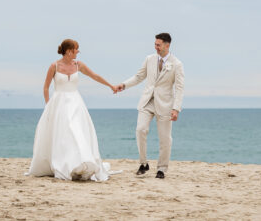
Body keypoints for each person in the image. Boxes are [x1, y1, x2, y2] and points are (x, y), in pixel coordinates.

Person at [26, 39, 119, 181]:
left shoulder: (78, 65)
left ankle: (80, 162)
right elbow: (46, 87)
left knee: (76, 131)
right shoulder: (54, 66)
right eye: (76, 49)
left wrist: (110, 86)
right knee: (63, 134)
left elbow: (95, 76)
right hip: (59, 104)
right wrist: (48, 105)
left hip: (76, 103)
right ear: (69, 50)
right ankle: (66, 164)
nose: (78, 51)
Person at [114, 32, 185, 179]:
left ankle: (162, 169)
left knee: (165, 138)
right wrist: (124, 85)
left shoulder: (177, 64)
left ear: (167, 45)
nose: (156, 47)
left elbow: (179, 88)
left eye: (158, 45)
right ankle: (143, 163)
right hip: (147, 101)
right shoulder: (149, 59)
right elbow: (139, 76)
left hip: (165, 104)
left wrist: (176, 108)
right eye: (155, 44)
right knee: (140, 130)